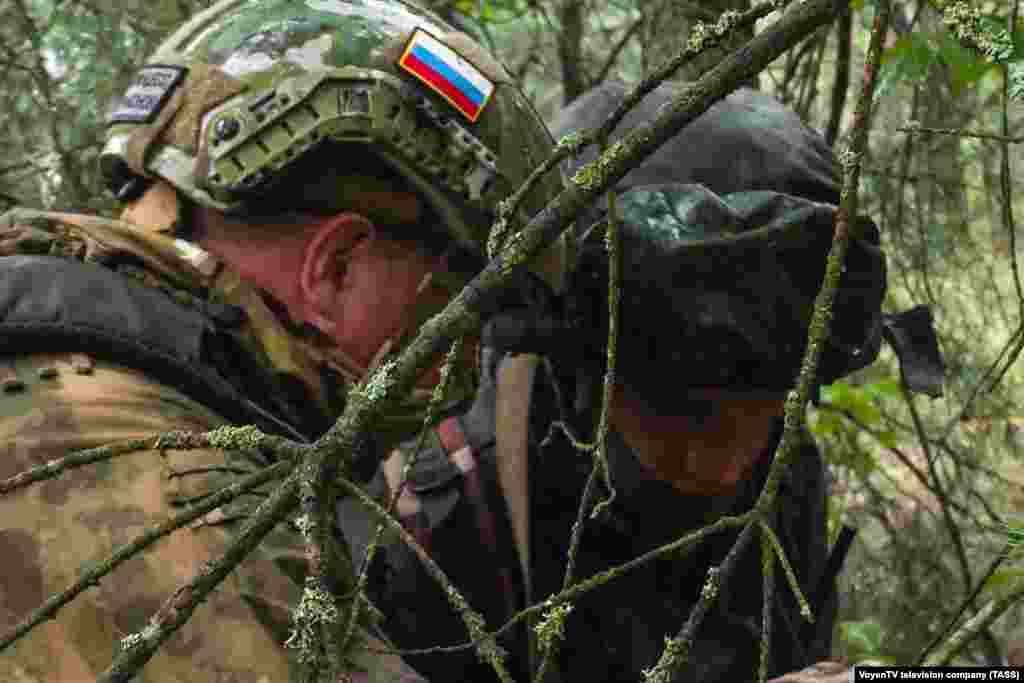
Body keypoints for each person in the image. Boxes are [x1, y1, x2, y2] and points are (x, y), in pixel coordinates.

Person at [0, 2, 891, 682]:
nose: (468, 355)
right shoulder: (154, 509)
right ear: (339, 265)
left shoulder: (96, 389)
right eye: (466, 295)